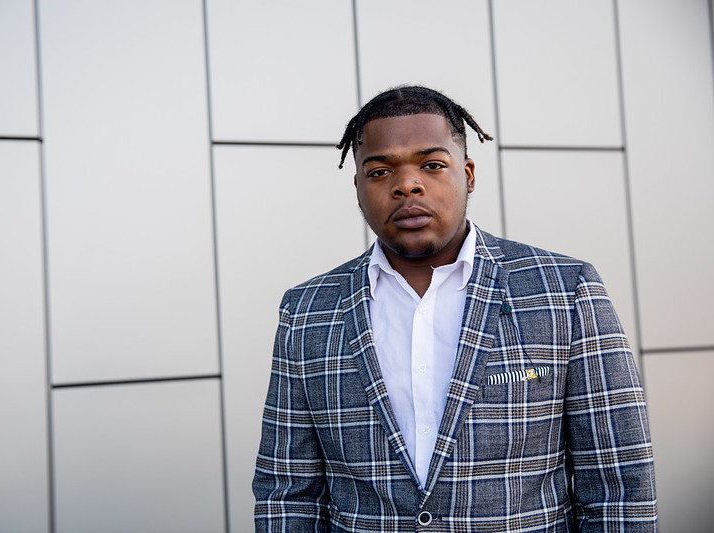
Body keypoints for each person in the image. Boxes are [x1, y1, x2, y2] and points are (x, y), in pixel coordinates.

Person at [253, 85, 657, 532]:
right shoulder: (307, 310)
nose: (406, 184)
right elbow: (287, 494)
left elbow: (620, 486)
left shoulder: (565, 291)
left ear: (467, 174)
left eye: (431, 165)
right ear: (358, 188)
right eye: (380, 171)